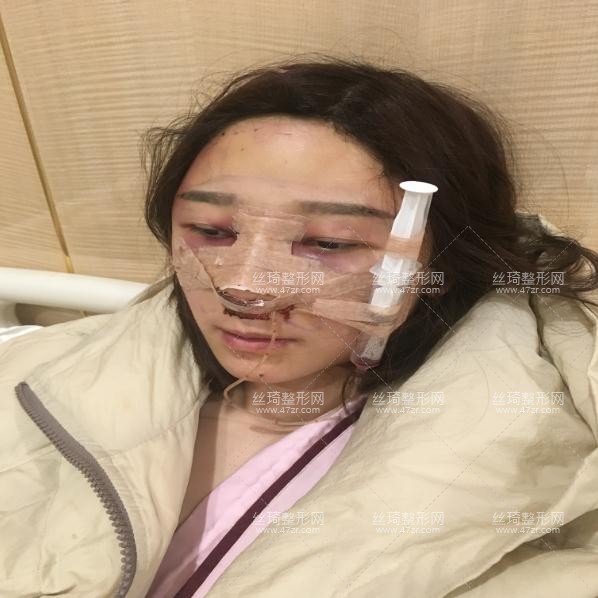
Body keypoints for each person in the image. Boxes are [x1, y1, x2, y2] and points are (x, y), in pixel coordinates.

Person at [1, 55, 598, 597]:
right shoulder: (35, 369)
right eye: (211, 231)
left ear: (442, 261)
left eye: (329, 242)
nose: (246, 289)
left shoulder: (518, 487)